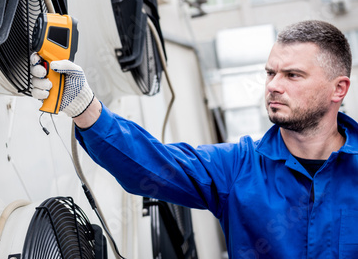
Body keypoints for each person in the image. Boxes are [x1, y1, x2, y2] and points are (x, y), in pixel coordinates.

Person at [30, 20, 358, 258]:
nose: (273, 85)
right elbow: (153, 166)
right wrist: (84, 106)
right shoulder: (238, 168)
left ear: (338, 89)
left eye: (293, 75)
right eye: (270, 73)